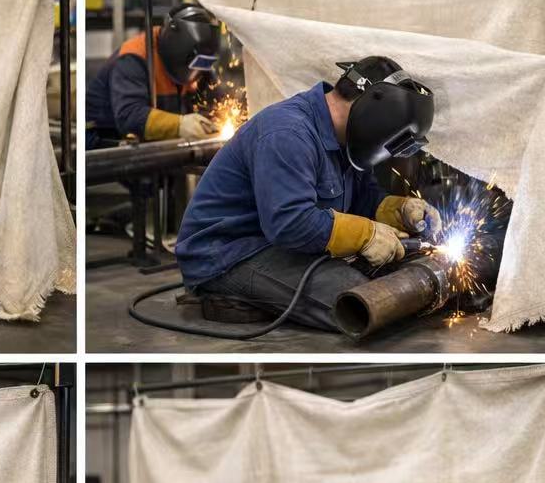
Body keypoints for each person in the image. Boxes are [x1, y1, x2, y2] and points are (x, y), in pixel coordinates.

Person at [174, 56, 441, 331]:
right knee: (367, 299)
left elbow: (362, 198)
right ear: (374, 115)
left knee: (399, 278)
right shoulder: (287, 132)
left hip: (280, 244)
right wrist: (365, 234)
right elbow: (289, 222)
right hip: (229, 253)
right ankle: (228, 291)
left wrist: (398, 210)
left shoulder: (347, 139)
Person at [86, 3, 222, 148]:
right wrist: (180, 125)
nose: (197, 72)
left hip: (152, 143)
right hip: (104, 141)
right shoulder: (134, 58)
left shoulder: (199, 62)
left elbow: (217, 102)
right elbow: (129, 116)